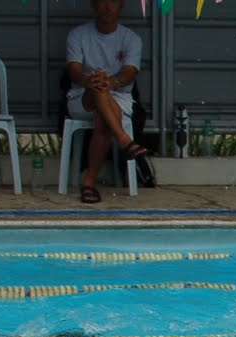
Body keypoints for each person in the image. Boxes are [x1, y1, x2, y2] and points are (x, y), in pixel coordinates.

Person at [65, 0, 147, 204]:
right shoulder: (78, 35)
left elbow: (129, 73)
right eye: (102, 1)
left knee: (103, 112)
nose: (107, 7)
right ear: (93, 4)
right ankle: (123, 139)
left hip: (119, 99)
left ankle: (89, 182)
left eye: (113, 2)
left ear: (121, 5)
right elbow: (74, 70)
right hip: (82, 98)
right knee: (99, 90)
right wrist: (89, 80)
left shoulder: (131, 39)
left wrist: (109, 82)